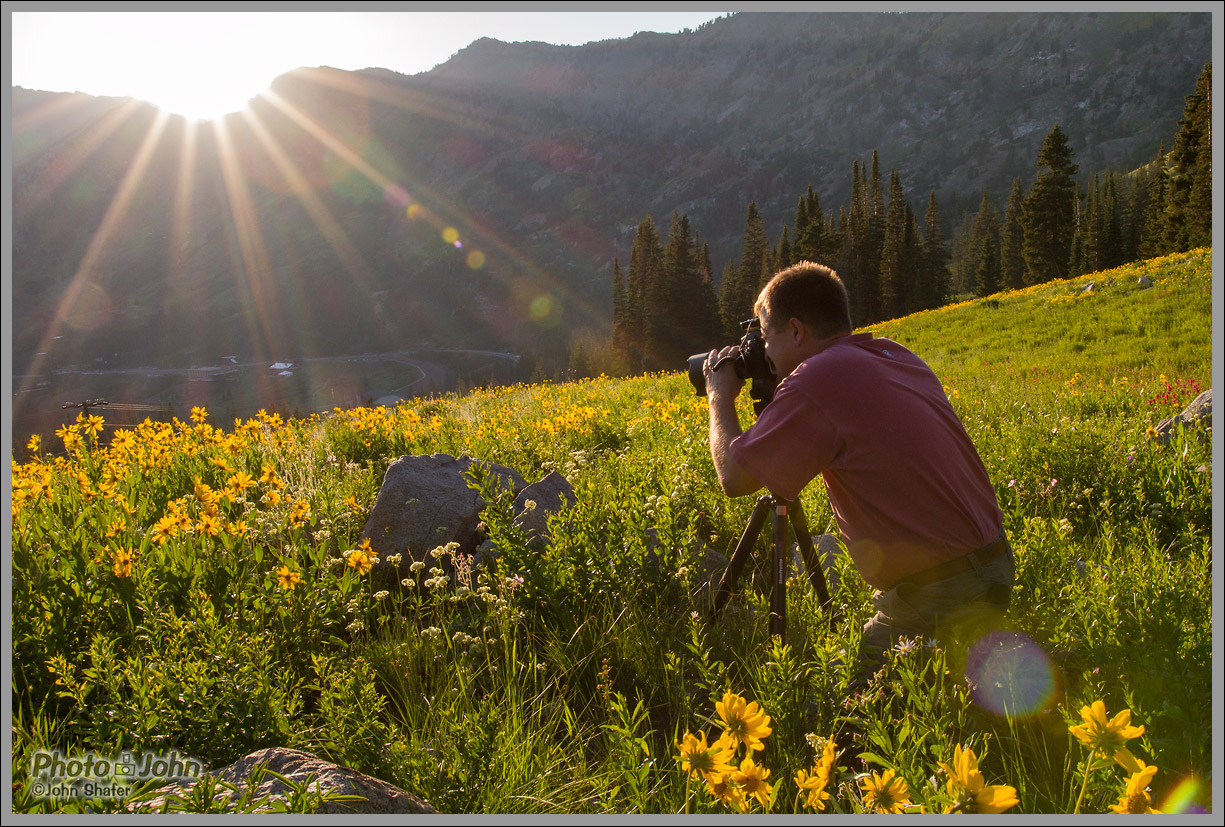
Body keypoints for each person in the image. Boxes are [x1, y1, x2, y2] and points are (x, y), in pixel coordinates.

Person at [702, 260, 1013, 685]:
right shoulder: (894, 353)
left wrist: (719, 398)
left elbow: (734, 479)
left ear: (796, 331)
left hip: (943, 590)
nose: (763, 352)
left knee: (840, 705)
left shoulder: (818, 378)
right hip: (994, 563)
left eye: (764, 335)